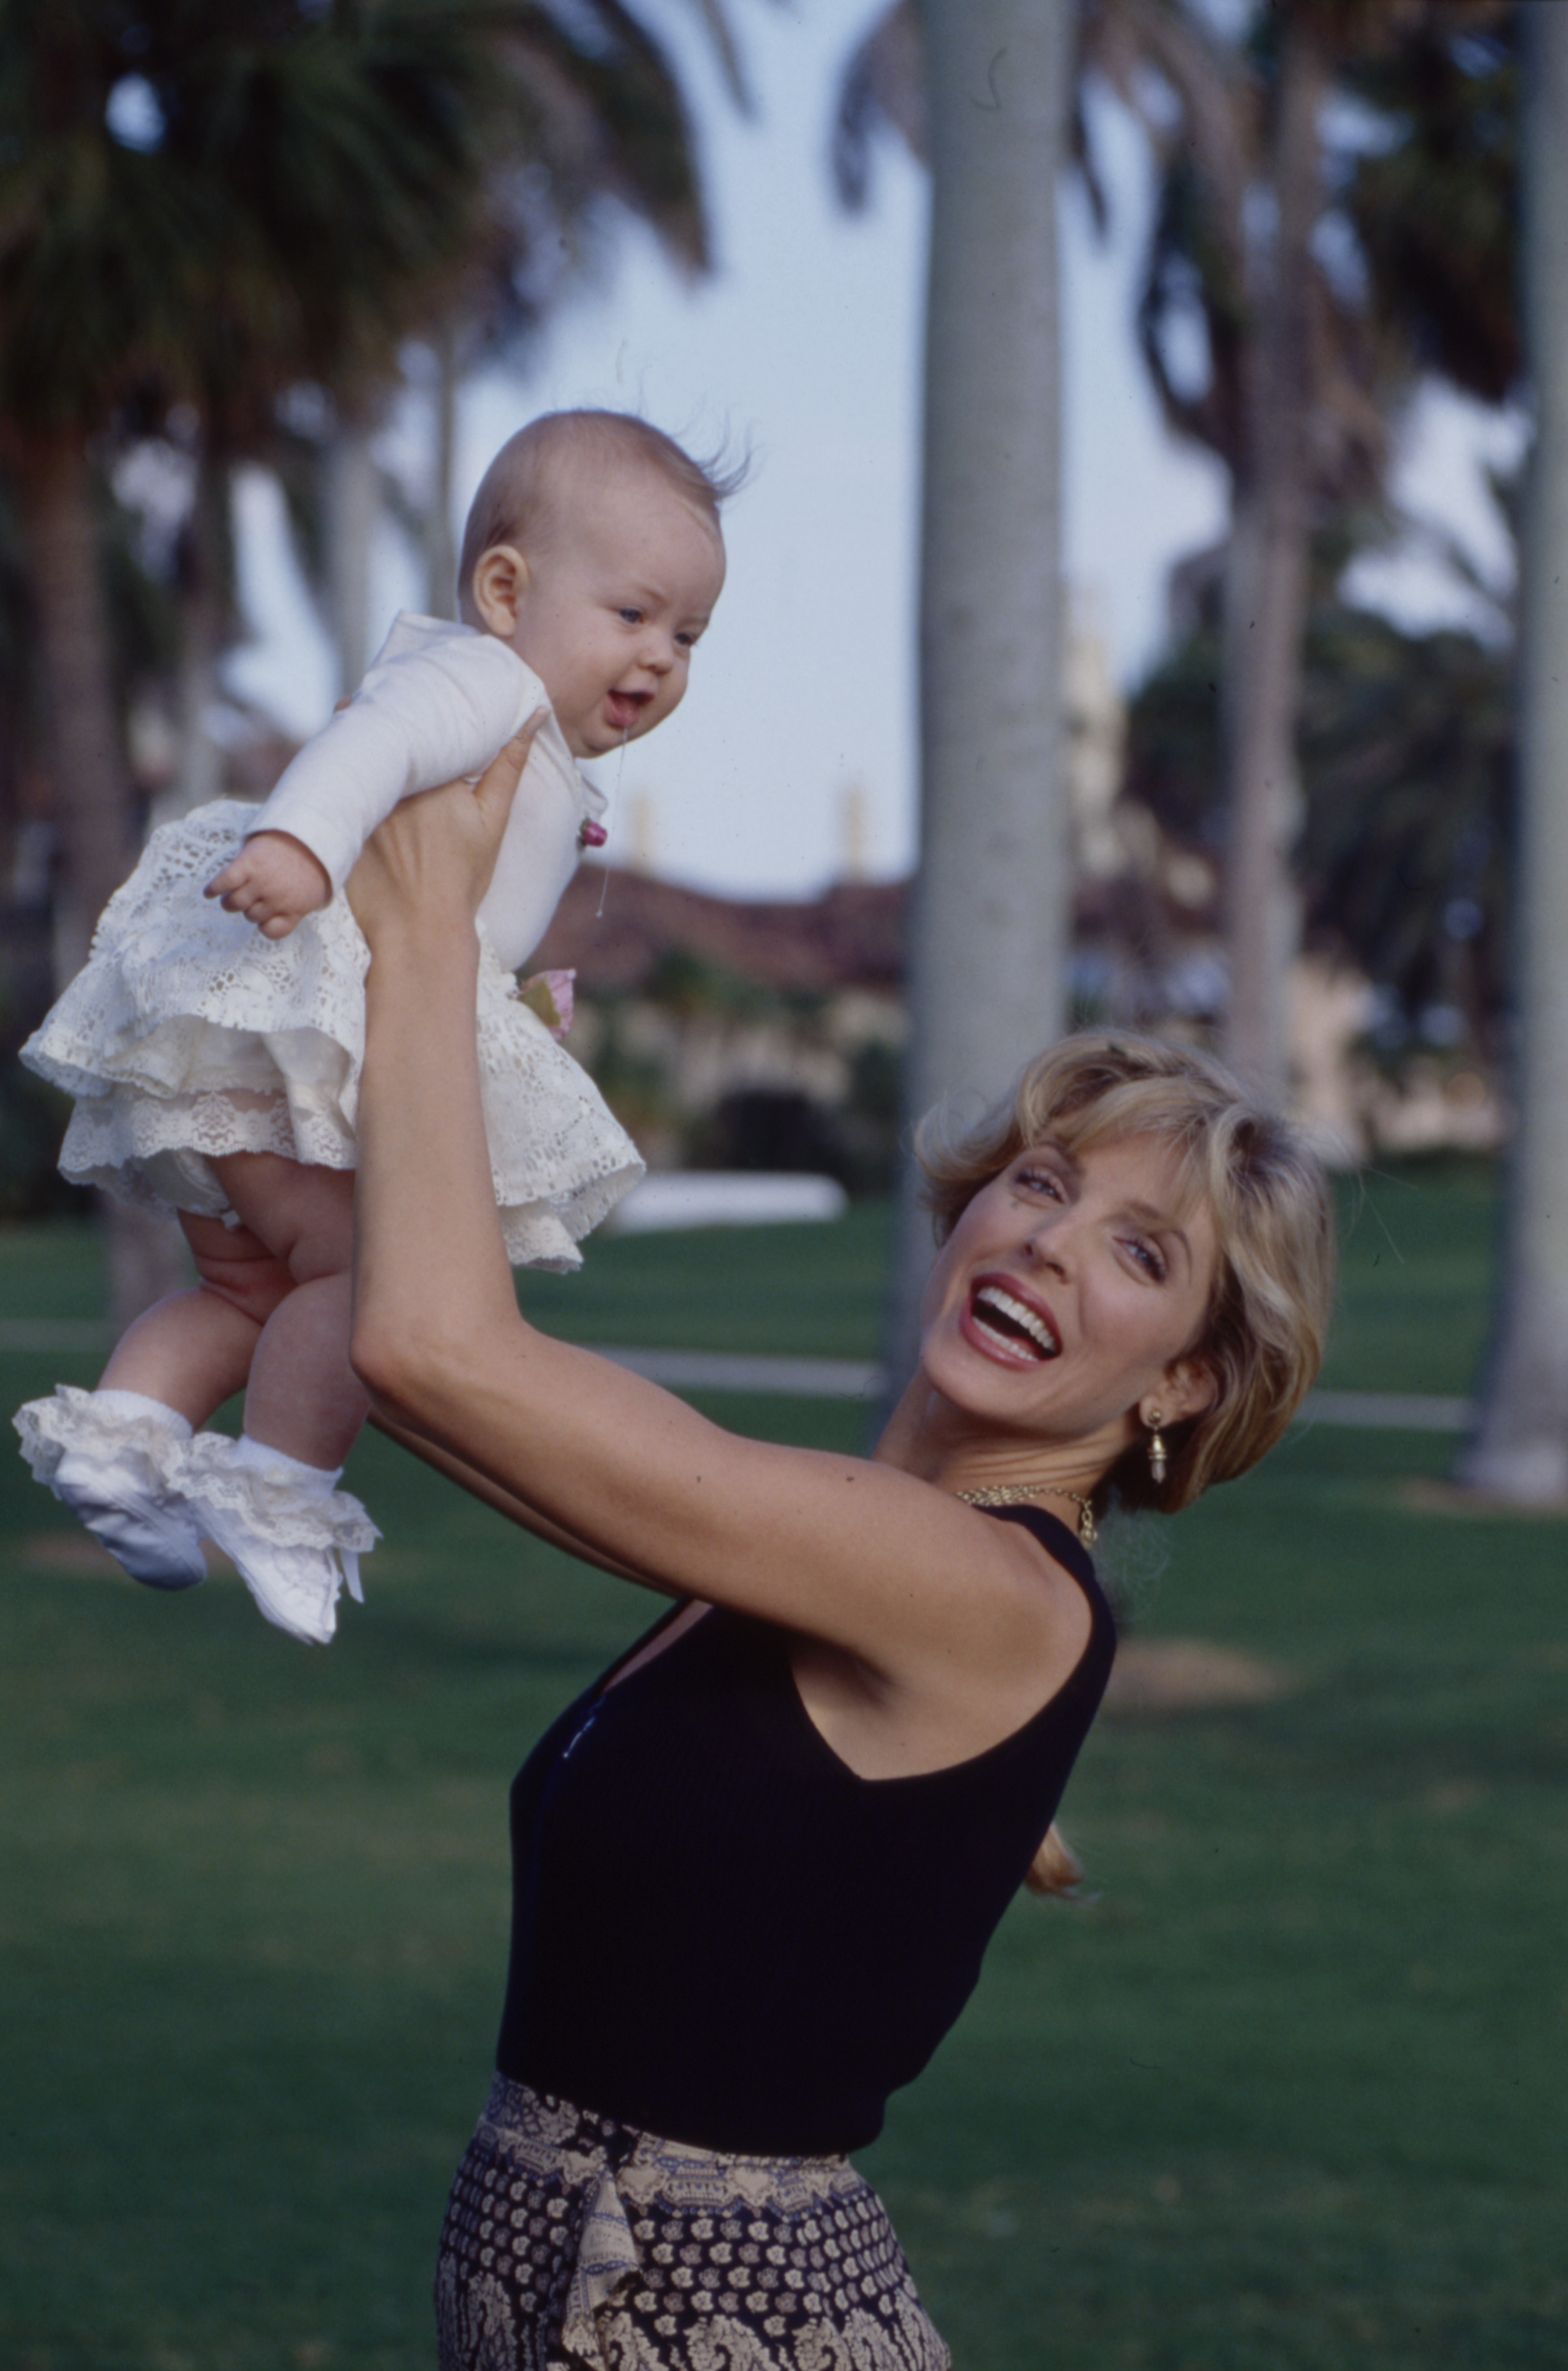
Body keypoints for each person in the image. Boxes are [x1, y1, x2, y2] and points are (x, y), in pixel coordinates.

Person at [340, 736, 1337, 2371]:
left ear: (1184, 1380)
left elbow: (437, 1351)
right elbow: (428, 1397)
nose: (1044, 1241)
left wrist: (429, 928)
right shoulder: (830, 1551)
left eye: (1139, 1252)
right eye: (1039, 1182)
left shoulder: (991, 1585)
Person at [15, 411, 731, 1646]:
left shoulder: (539, 737)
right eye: (633, 615)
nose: (660, 657)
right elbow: (372, 738)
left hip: (252, 1056)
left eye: (688, 635)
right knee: (370, 1279)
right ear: (506, 590)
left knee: (250, 1288)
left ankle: (124, 1439)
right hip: (304, 1027)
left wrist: (511, 1000)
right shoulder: (484, 680)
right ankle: (280, 1488)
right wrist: (299, 844)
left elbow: (473, 905)